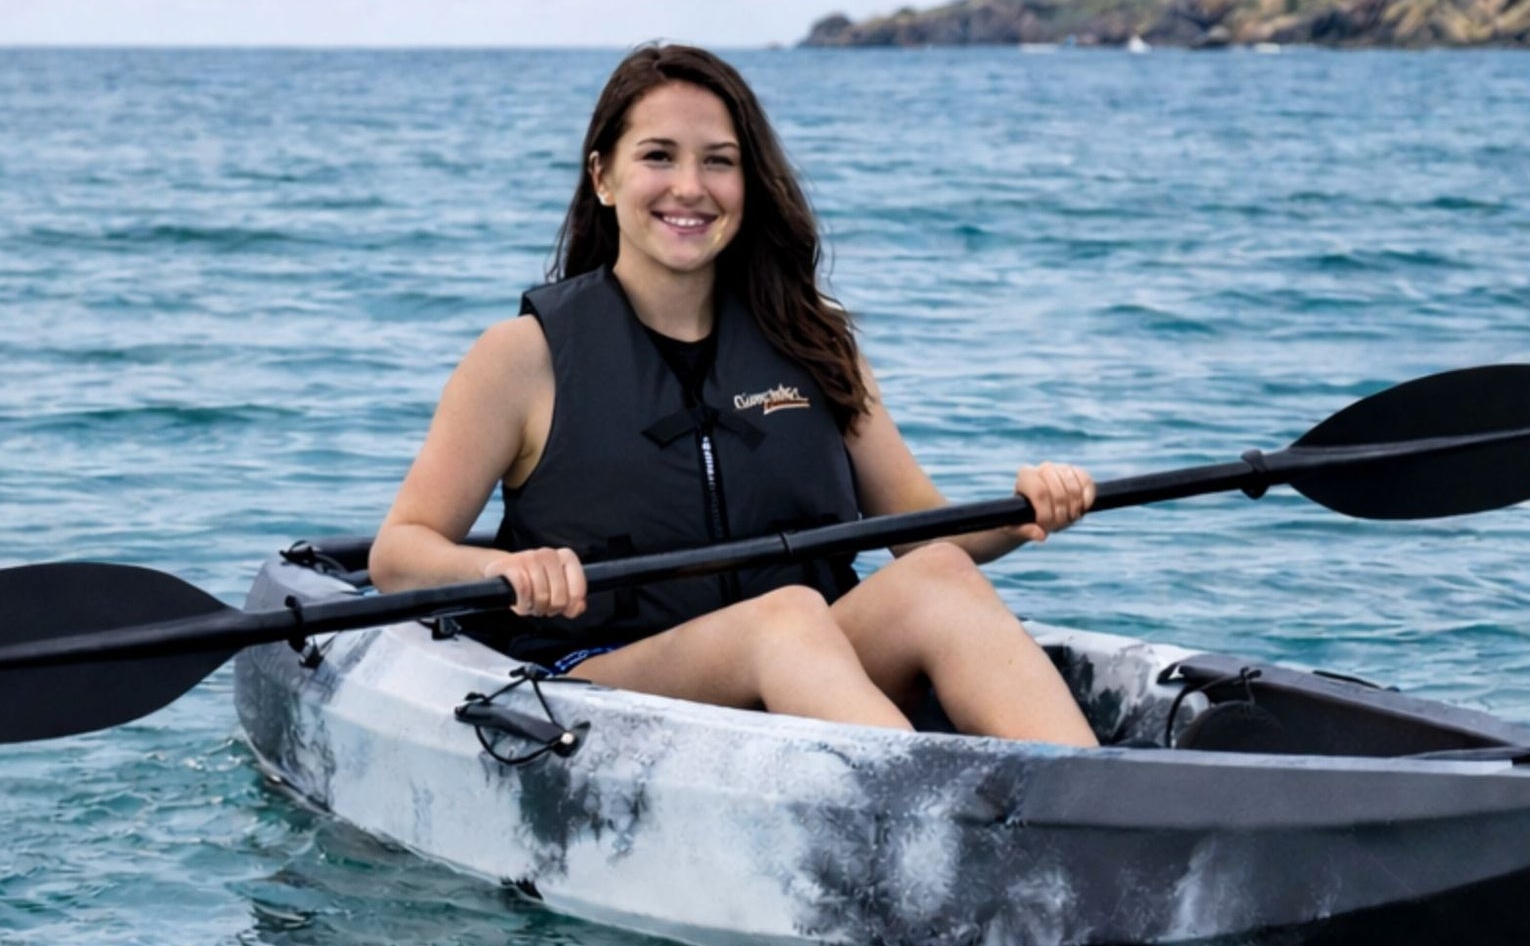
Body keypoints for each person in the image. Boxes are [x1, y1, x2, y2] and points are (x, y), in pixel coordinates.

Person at [369, 44, 1099, 746]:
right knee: (779, 620)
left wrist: (1025, 514)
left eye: (719, 162)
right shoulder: (521, 358)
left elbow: (923, 534)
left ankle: (1093, 803)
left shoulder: (815, 343)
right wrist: (498, 567)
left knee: (936, 577)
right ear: (603, 176)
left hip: (801, 661)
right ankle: (934, 822)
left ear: (748, 184)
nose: (690, 187)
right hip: (603, 686)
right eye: (658, 157)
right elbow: (399, 553)